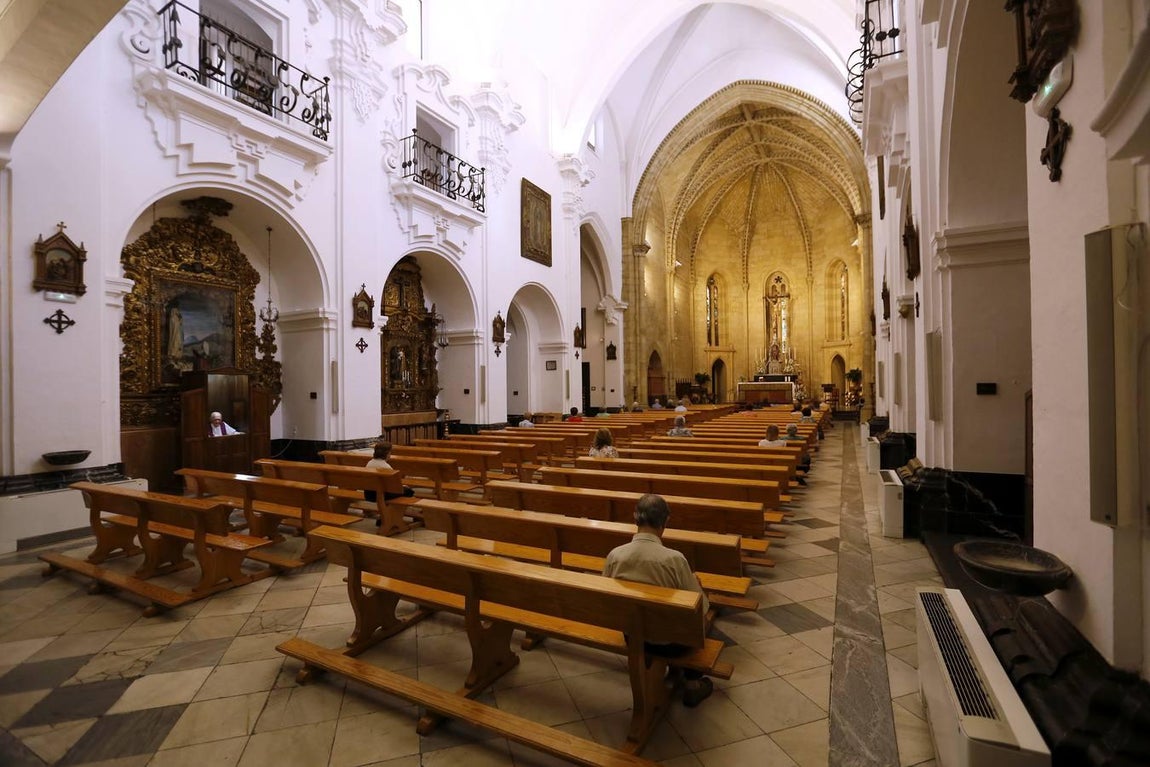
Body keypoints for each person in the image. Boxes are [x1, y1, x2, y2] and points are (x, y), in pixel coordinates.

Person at [602, 494, 714, 708]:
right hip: (671, 644)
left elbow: (606, 595)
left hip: (632, 635)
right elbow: (701, 608)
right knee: (703, 623)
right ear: (665, 522)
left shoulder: (615, 555)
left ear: (635, 519)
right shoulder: (674, 559)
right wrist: (698, 587)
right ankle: (692, 685)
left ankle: (672, 673)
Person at [364, 441, 414, 520]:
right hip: (381, 495)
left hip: (369, 494)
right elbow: (395, 487)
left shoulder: (369, 463)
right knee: (409, 491)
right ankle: (391, 517)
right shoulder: (386, 467)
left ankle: (386, 515)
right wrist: (404, 487)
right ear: (387, 454)